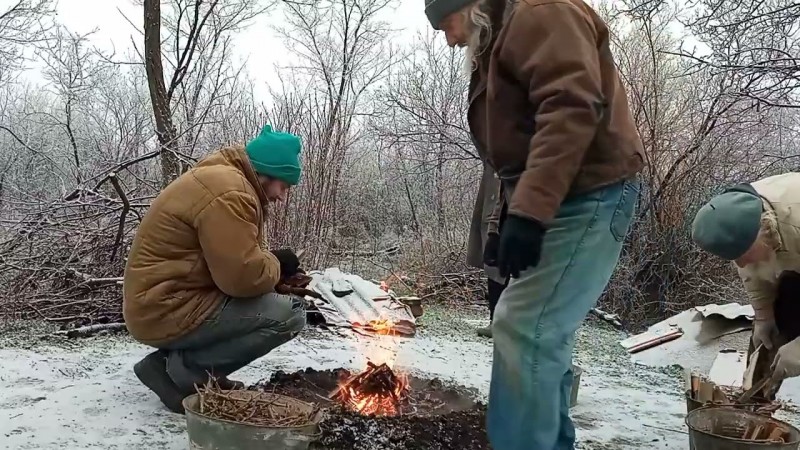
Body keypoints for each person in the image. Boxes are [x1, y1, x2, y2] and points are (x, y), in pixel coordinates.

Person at [424, 1, 645, 448]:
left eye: (446, 24)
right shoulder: (503, 32)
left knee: (525, 326)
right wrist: (503, 223)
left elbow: (569, 110)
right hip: (559, 198)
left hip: (590, 194)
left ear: (469, 7)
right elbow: (512, 156)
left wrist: (529, 212)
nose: (449, 40)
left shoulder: (541, 12)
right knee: (539, 332)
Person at [123, 124, 307, 414]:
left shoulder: (223, 179)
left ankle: (184, 368)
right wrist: (275, 263)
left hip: (162, 302)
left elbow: (228, 263)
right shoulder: (231, 194)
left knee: (274, 303)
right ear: (266, 173)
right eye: (284, 186)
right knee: (290, 314)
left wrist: (270, 271)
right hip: (165, 308)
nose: (282, 196)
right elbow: (240, 279)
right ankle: (180, 372)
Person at [691, 173, 800, 396]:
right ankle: (755, 404)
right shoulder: (742, 221)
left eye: (744, 254)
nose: (740, 263)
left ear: (765, 230)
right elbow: (753, 271)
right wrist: (764, 316)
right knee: (775, 330)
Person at [467, 162, 507, 337]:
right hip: (497, 206)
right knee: (493, 266)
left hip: (513, 209)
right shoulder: (495, 158)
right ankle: (495, 321)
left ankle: (502, 323)